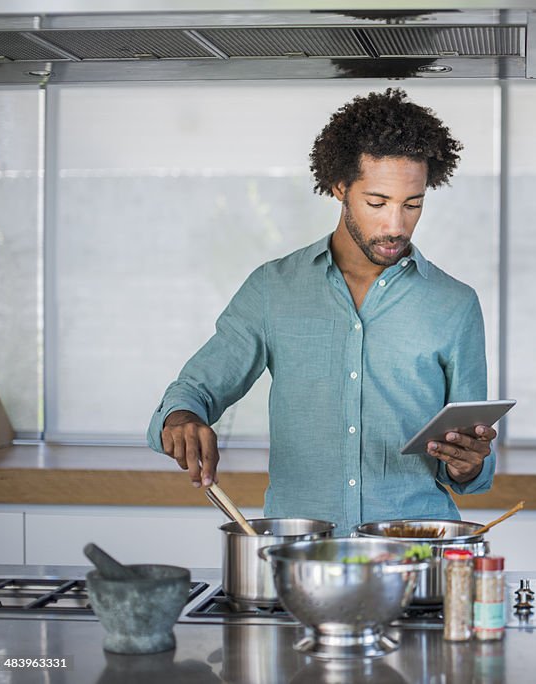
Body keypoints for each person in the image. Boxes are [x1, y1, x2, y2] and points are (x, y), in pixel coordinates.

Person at [146, 88, 496, 531]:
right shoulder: (274, 290)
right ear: (339, 188)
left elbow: (474, 468)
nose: (396, 224)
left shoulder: (455, 304)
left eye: (412, 205)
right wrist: (182, 418)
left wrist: (468, 463)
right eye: (377, 203)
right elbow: (194, 390)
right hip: (302, 553)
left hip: (417, 552)